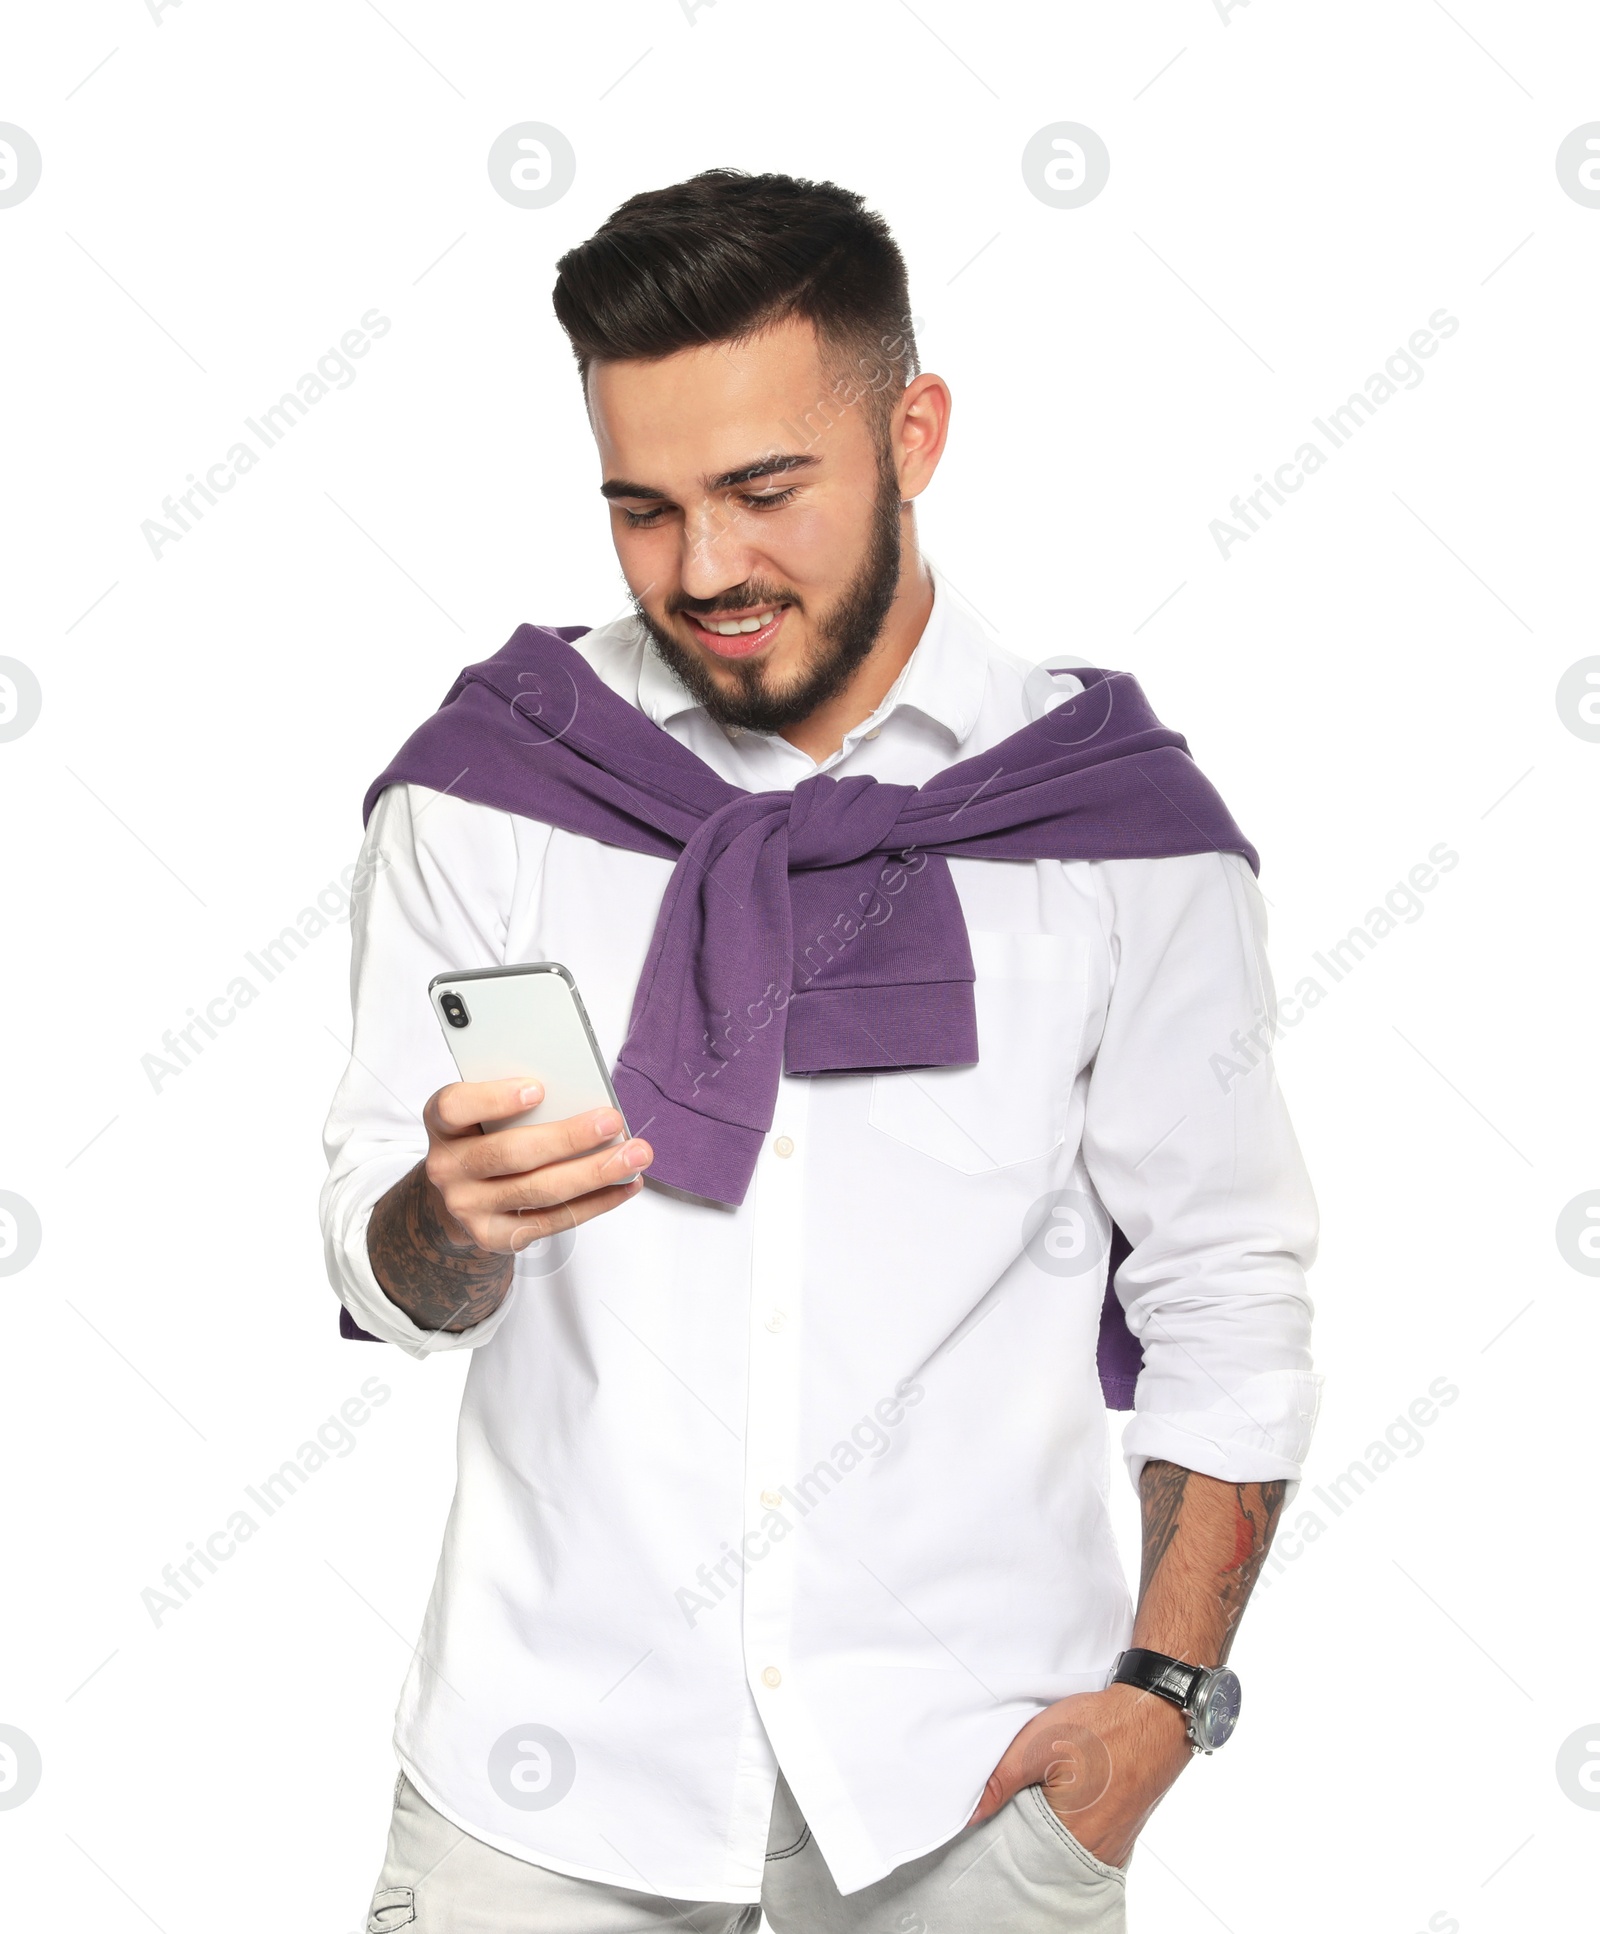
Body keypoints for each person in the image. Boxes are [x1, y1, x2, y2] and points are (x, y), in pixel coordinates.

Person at [320, 168, 1319, 1933]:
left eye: (764, 491)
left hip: (979, 1786)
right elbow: (381, 1274)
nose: (705, 570)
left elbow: (1227, 1288)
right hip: (547, 1781)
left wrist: (1163, 1709)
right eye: (643, 509)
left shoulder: (1117, 831)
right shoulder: (492, 788)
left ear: (914, 432)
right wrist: (446, 1221)